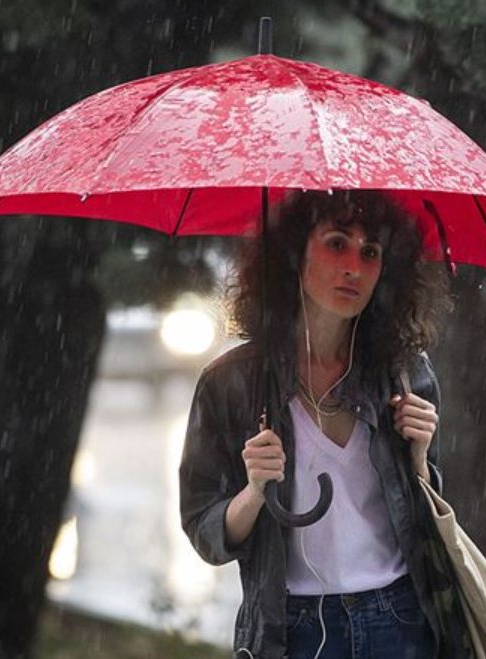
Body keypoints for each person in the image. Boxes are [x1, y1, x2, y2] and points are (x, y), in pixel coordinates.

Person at [179, 190, 455, 659]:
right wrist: (254, 492)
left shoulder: (406, 375)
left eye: (371, 252)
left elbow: (430, 519)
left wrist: (420, 460)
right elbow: (204, 529)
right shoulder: (231, 383)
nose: (353, 266)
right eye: (336, 243)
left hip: (400, 619)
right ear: (294, 254)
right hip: (293, 629)